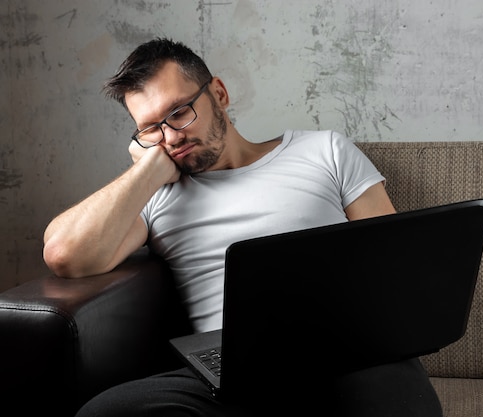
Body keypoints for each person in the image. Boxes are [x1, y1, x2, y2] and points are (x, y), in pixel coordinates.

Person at [43, 38, 442, 417]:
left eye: (179, 112)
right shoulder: (155, 196)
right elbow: (64, 254)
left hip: (350, 356)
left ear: (219, 93)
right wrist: (148, 168)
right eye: (151, 128)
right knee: (106, 412)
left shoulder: (325, 151)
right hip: (235, 375)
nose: (171, 136)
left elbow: (395, 268)